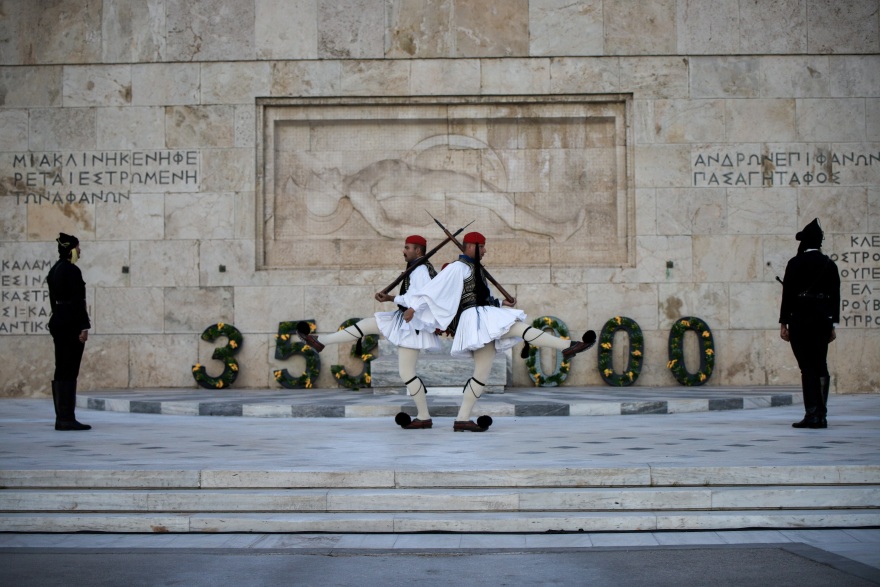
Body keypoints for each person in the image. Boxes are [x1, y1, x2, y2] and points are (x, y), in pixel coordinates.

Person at [399, 231, 596, 432]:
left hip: (483, 315)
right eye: (481, 246)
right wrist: (413, 309)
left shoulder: (477, 269)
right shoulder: (457, 267)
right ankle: (567, 346)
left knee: (481, 375)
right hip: (475, 318)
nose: (485, 250)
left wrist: (503, 303)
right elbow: (433, 291)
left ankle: (462, 419)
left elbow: (486, 298)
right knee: (519, 327)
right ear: (470, 246)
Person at [298, 235, 442, 429]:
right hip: (405, 319)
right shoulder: (416, 268)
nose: (404, 251)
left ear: (418, 251)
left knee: (407, 373)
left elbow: (423, 297)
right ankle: (320, 340)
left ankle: (424, 417)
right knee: (367, 324)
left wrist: (392, 298)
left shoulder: (421, 270)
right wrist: (390, 299)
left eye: (407, 248)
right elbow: (413, 296)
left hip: (413, 325)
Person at [779, 218, 841, 429]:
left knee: (807, 368)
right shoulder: (829, 264)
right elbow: (835, 296)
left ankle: (812, 413)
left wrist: (783, 323)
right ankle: (821, 415)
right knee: (820, 365)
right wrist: (833, 324)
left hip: (800, 322)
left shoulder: (795, 263)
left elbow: (787, 295)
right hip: (823, 322)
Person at [46, 233, 91, 431]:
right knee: (69, 369)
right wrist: (84, 326)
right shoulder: (72, 270)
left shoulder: (54, 270)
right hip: (71, 323)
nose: (80, 251)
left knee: (61, 368)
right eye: (78, 248)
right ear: (71, 249)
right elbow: (77, 301)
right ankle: (66, 418)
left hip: (59, 321)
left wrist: (57, 318)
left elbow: (53, 301)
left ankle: (62, 417)